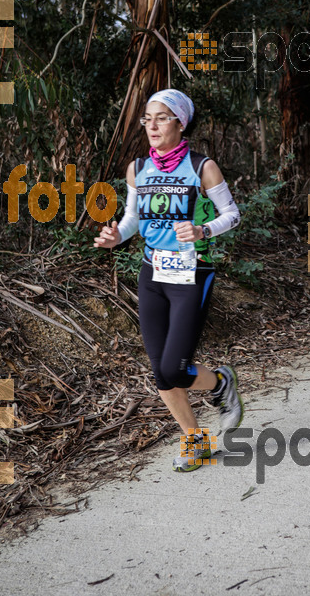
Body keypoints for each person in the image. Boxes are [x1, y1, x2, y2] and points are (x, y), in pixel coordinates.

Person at [94, 89, 243, 472]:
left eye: (161, 117)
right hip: (152, 273)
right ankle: (195, 439)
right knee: (160, 369)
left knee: (175, 370)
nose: (152, 125)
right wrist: (116, 237)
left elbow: (232, 214)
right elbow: (131, 220)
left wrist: (203, 230)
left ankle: (220, 383)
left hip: (193, 273)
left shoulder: (201, 166)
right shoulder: (137, 167)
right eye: (147, 118)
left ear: (180, 122)